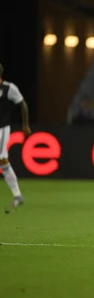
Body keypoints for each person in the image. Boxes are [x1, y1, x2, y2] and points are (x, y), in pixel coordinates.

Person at [0, 63, 31, 214]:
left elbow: (23, 104)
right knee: (3, 161)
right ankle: (17, 195)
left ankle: (17, 194)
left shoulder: (8, 88)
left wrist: (25, 125)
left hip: (2, 129)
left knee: (2, 159)